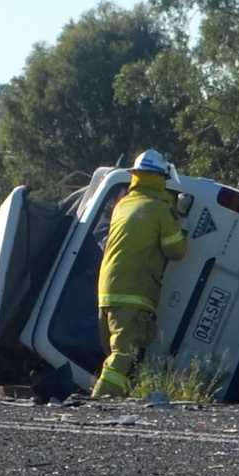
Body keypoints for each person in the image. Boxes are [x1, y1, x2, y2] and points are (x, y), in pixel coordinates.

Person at [92, 149, 187, 397]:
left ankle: (118, 398)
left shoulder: (122, 204)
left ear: (136, 176)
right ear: (161, 177)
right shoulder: (159, 208)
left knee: (118, 357)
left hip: (107, 290)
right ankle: (97, 403)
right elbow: (176, 250)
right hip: (134, 291)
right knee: (124, 355)